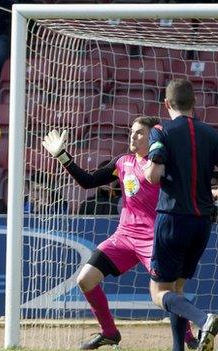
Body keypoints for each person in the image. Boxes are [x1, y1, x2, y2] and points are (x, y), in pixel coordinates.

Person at [42, 115, 198, 350]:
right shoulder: (122, 162)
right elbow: (87, 181)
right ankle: (109, 333)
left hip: (154, 239)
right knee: (85, 279)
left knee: (167, 292)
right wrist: (62, 156)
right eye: (132, 132)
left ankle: (190, 339)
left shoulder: (162, 166)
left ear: (153, 137)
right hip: (123, 237)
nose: (133, 136)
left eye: (139, 133)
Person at [144, 78, 218, 351]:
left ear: (166, 103)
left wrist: (145, 171)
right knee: (176, 289)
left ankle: (204, 319)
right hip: (203, 222)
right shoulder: (211, 134)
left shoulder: (161, 131)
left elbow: (154, 174)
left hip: (173, 218)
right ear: (194, 102)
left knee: (158, 292)